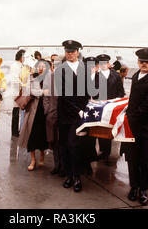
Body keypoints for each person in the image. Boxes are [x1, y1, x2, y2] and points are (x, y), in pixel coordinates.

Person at [119, 48, 148, 206]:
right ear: (138, 62)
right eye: (141, 61)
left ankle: (143, 189)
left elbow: (147, 106)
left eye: (147, 62)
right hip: (133, 126)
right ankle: (134, 186)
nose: (144, 64)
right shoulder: (136, 76)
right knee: (132, 159)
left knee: (145, 159)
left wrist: (129, 117)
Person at [55, 40, 89, 192]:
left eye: (72, 51)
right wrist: (78, 110)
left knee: (75, 146)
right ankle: (69, 175)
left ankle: (77, 177)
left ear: (78, 52)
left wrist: (88, 106)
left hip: (80, 114)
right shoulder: (60, 70)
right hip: (66, 113)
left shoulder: (84, 68)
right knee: (65, 146)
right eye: (67, 51)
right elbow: (63, 95)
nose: (69, 54)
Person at [18, 60, 50, 171]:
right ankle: (32, 160)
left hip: (45, 109)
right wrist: (43, 92)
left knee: (43, 135)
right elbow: (31, 91)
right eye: (39, 66)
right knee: (31, 135)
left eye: (44, 66)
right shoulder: (31, 77)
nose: (41, 68)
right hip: (33, 109)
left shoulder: (50, 78)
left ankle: (41, 155)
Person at [94, 54, 125, 164]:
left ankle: (107, 152)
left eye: (105, 62)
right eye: (100, 63)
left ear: (108, 63)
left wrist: (118, 103)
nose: (103, 65)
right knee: (100, 129)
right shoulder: (95, 76)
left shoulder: (115, 76)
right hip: (99, 107)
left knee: (110, 129)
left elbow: (121, 92)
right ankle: (104, 151)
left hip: (112, 107)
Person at [43, 58, 62, 175]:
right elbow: (46, 96)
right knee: (54, 142)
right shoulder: (49, 78)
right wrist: (47, 110)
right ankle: (57, 165)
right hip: (52, 114)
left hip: (65, 116)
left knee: (63, 142)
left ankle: (64, 167)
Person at [9, 49, 25, 137]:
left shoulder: (22, 65)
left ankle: (19, 130)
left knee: (20, 111)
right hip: (16, 91)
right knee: (15, 112)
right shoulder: (14, 65)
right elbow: (15, 78)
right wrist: (23, 85)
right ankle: (14, 132)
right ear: (20, 57)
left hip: (21, 90)